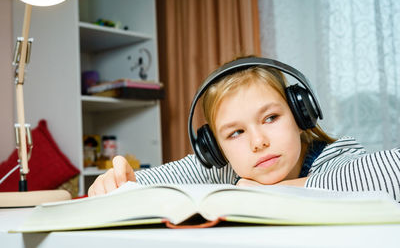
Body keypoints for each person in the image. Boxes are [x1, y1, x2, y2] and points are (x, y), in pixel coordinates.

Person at [88, 57, 400, 203]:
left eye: (270, 118)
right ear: (214, 148)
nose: (258, 142)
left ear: (300, 115)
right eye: (235, 133)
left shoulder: (335, 158)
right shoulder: (221, 168)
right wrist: (117, 182)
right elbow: (144, 183)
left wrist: (268, 192)